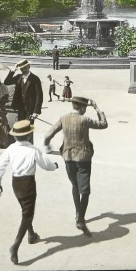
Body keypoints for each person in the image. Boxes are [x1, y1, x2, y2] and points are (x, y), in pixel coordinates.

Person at [0, 119, 59, 265]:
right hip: (28, 184)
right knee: (27, 214)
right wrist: (55, 166)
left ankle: (31, 234)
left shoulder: (11, 148)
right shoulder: (33, 150)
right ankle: (15, 246)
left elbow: (0, 166)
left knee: (25, 210)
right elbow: (46, 165)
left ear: (15, 136)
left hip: (15, 183)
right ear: (29, 135)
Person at [43, 97, 108, 236]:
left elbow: (48, 134)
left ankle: (77, 212)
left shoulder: (63, 118)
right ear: (83, 108)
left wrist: (48, 146)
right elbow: (103, 124)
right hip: (83, 158)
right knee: (85, 191)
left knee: (75, 185)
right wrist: (96, 107)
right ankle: (80, 218)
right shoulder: (85, 120)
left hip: (68, 157)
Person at [4, 59, 43, 126]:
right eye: (21, 69)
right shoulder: (18, 77)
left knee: (28, 128)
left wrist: (36, 111)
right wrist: (13, 70)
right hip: (20, 107)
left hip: (31, 108)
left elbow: (39, 95)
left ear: (29, 66)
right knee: (20, 127)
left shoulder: (35, 79)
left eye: (25, 68)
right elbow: (6, 82)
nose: (24, 70)